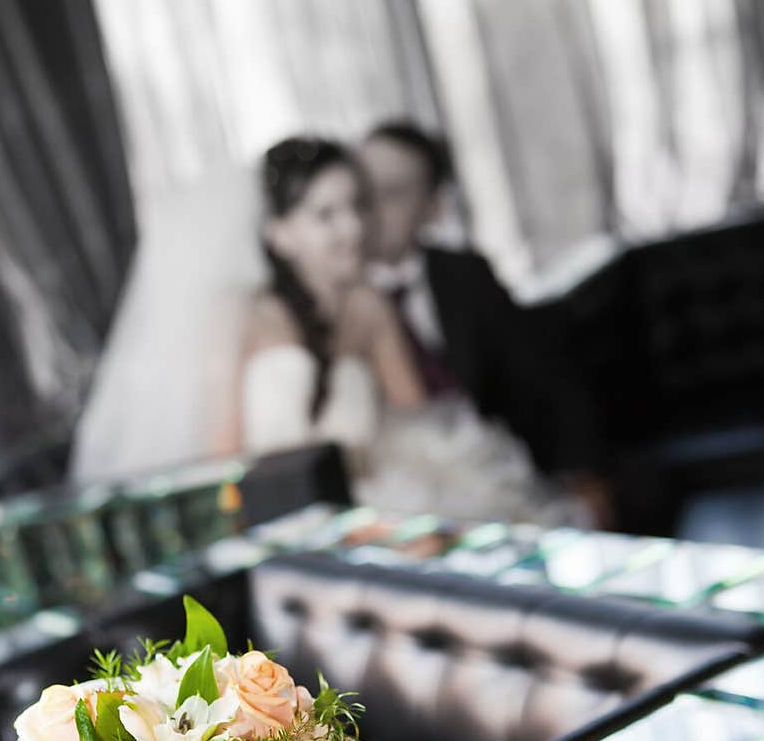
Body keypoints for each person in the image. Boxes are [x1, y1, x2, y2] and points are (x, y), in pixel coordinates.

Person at [240, 136, 580, 525]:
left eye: (356, 207)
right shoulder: (246, 315)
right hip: (275, 522)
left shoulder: (371, 307)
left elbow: (423, 424)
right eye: (326, 215)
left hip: (370, 514)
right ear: (278, 233)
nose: (353, 227)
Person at [359, 120, 613, 527]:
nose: (369, 210)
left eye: (392, 193)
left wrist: (582, 474)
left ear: (432, 206)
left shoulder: (465, 276)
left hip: (496, 480)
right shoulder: (334, 302)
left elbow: (543, 380)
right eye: (362, 189)